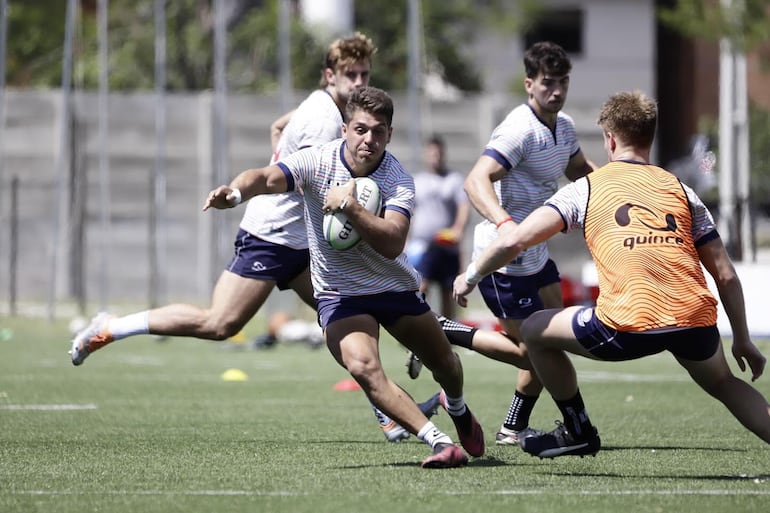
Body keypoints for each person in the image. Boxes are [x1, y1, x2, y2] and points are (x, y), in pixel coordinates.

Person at [68, 32, 433, 442]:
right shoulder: (325, 120)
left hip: (306, 239)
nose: (359, 82)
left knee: (353, 313)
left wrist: (282, 149)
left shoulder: (328, 106)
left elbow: (278, 126)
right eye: (350, 74)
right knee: (220, 322)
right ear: (330, 76)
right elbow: (319, 176)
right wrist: (250, 187)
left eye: (365, 73)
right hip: (274, 235)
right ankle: (111, 326)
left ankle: (389, 413)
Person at [453, 89, 770, 458]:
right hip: (692, 319)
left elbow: (515, 241)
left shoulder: (586, 189)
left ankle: (578, 430)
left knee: (535, 331)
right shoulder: (682, 190)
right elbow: (725, 274)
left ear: (610, 139)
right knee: (724, 382)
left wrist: (471, 275)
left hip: (626, 326)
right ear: (649, 137)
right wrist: (743, 339)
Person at [204, 86, 484, 468]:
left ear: (389, 134)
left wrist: (351, 207)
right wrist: (235, 194)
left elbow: (393, 242)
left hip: (393, 287)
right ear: (344, 129)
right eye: (360, 129)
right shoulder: (316, 162)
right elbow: (265, 177)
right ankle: (438, 443)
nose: (369, 139)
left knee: (446, 365)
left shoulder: (398, 178)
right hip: (340, 294)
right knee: (364, 368)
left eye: (379, 131)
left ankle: (458, 407)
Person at [458, 41, 595, 446]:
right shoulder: (519, 130)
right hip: (503, 262)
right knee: (534, 350)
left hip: (537, 254)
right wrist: (503, 222)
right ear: (529, 85)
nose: (557, 91)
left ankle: (513, 428)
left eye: (563, 82)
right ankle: (447, 330)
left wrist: (623, 184)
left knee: (552, 344)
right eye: (548, 83)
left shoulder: (564, 127)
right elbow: (475, 180)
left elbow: (580, 171)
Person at [406, 134, 470, 320]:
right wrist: (405, 240)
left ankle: (449, 336)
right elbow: (409, 213)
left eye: (439, 153)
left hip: (446, 246)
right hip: (422, 246)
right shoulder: (417, 181)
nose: (436, 157)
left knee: (448, 291)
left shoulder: (454, 180)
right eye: (432, 153)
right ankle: (417, 327)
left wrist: (458, 229)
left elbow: (463, 207)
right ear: (427, 155)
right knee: (420, 286)